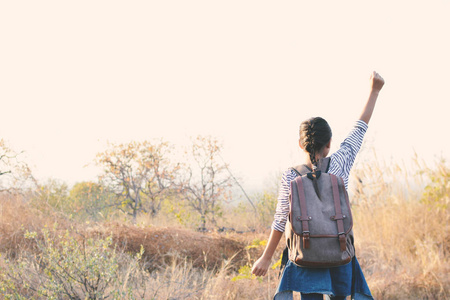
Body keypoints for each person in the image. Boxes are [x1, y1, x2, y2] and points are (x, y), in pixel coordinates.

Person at [251, 71, 385, 300]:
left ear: (301, 144)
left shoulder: (290, 177)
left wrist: (266, 257)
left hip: (306, 255)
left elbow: (280, 219)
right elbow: (359, 129)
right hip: (339, 252)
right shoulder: (340, 163)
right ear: (329, 144)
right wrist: (374, 91)